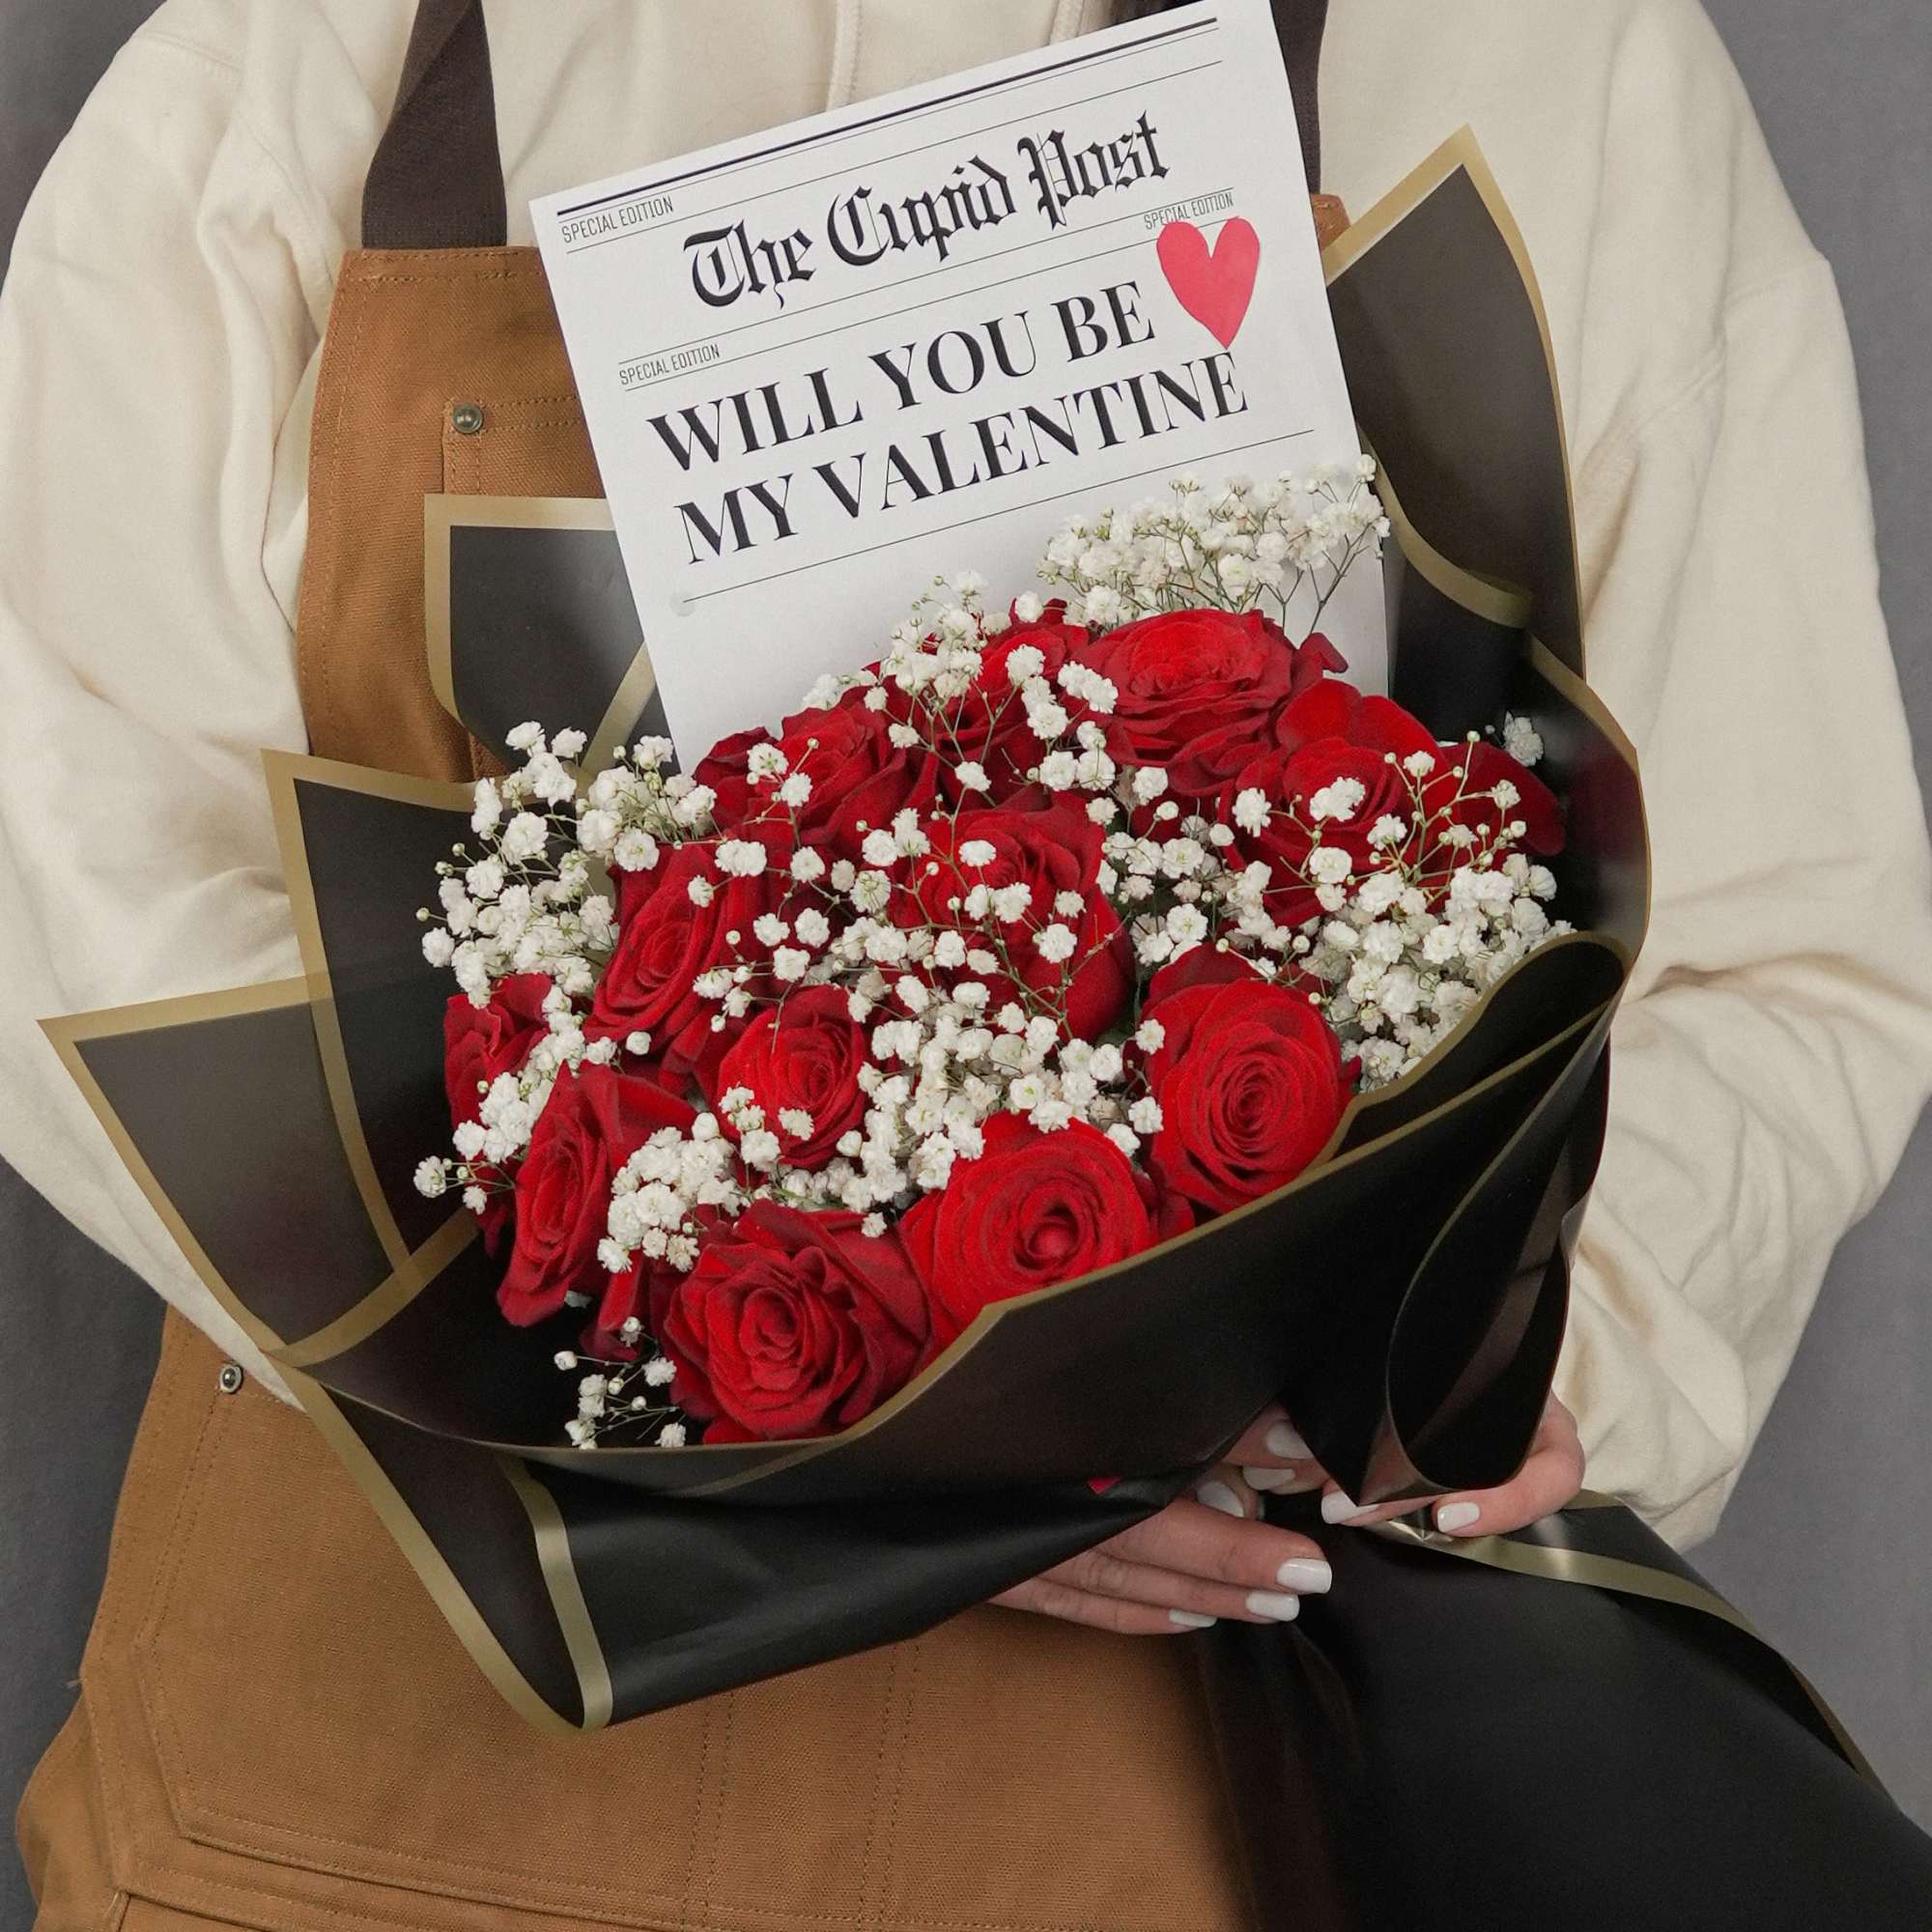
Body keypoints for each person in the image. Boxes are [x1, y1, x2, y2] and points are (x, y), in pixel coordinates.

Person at [8, 1, 1930, 1926]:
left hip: (1159, 1806)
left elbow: (1775, 946)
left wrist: (1461, 1375)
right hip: (348, 1807)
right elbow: (59, 828)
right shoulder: (311, 42)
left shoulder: (1538, 54)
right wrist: (763, 1420)